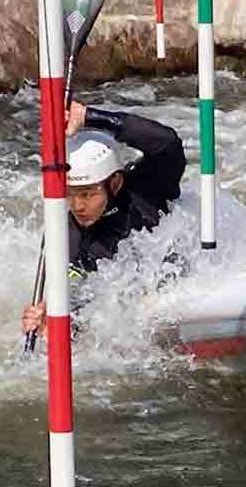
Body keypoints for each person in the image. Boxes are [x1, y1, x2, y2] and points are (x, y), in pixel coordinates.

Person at [21, 101, 187, 336]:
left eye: (88, 194)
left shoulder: (147, 188)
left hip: (185, 274)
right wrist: (55, 322)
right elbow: (84, 300)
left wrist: (92, 117)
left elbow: (167, 142)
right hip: (141, 301)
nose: (78, 205)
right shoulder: (69, 234)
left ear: (115, 183)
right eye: (70, 194)